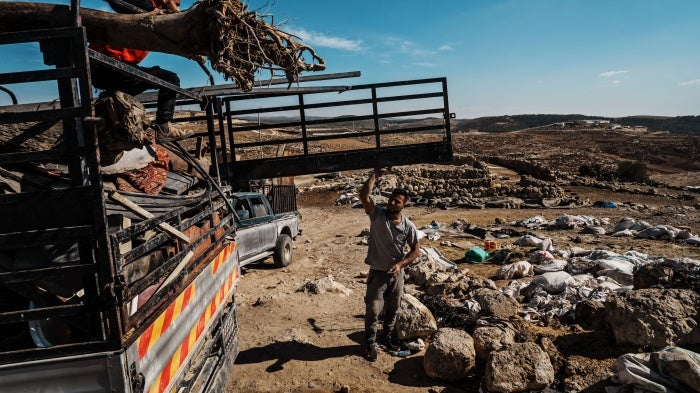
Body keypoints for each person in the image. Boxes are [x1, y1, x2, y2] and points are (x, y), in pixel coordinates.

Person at [89, 0, 193, 141]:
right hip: (108, 66)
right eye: (177, 3)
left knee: (162, 77)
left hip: (114, 68)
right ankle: (164, 127)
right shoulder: (146, 6)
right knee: (170, 79)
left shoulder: (157, 20)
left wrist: (191, 51)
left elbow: (172, 40)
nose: (178, 8)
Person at [359, 168, 420, 362]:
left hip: (396, 275)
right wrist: (375, 174)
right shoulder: (377, 214)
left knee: (393, 309)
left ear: (404, 205)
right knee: (373, 310)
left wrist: (401, 265)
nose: (392, 202)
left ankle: (386, 338)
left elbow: (415, 250)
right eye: (391, 199)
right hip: (377, 274)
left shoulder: (408, 226)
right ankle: (370, 343)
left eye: (397, 201)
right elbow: (364, 195)